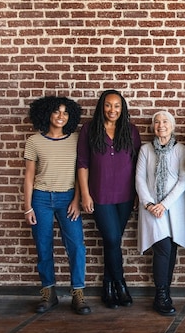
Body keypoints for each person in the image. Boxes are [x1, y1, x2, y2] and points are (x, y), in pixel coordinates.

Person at [23, 95, 91, 315]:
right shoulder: (34, 141)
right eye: (56, 111)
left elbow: (81, 171)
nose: (61, 116)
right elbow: (29, 177)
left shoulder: (76, 139)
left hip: (67, 198)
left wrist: (77, 200)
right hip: (41, 199)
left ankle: (78, 293)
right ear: (47, 114)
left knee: (76, 246)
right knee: (43, 246)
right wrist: (28, 206)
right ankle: (48, 292)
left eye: (65, 112)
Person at [77, 89, 141, 309]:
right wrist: (85, 194)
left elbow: (137, 167)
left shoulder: (131, 131)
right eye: (108, 105)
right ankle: (120, 284)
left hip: (125, 195)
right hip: (100, 195)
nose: (112, 110)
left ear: (122, 109)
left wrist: (137, 195)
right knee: (113, 238)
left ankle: (107, 285)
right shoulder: (88, 129)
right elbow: (83, 163)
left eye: (116, 106)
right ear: (101, 107)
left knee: (112, 241)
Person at [136, 111, 185, 316]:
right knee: (161, 248)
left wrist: (164, 204)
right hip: (151, 209)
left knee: (170, 249)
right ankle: (160, 295)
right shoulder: (146, 150)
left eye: (165, 122)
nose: (161, 125)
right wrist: (150, 204)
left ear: (172, 126)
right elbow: (140, 179)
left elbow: (183, 179)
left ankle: (165, 292)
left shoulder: (180, 149)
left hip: (173, 208)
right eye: (157, 122)